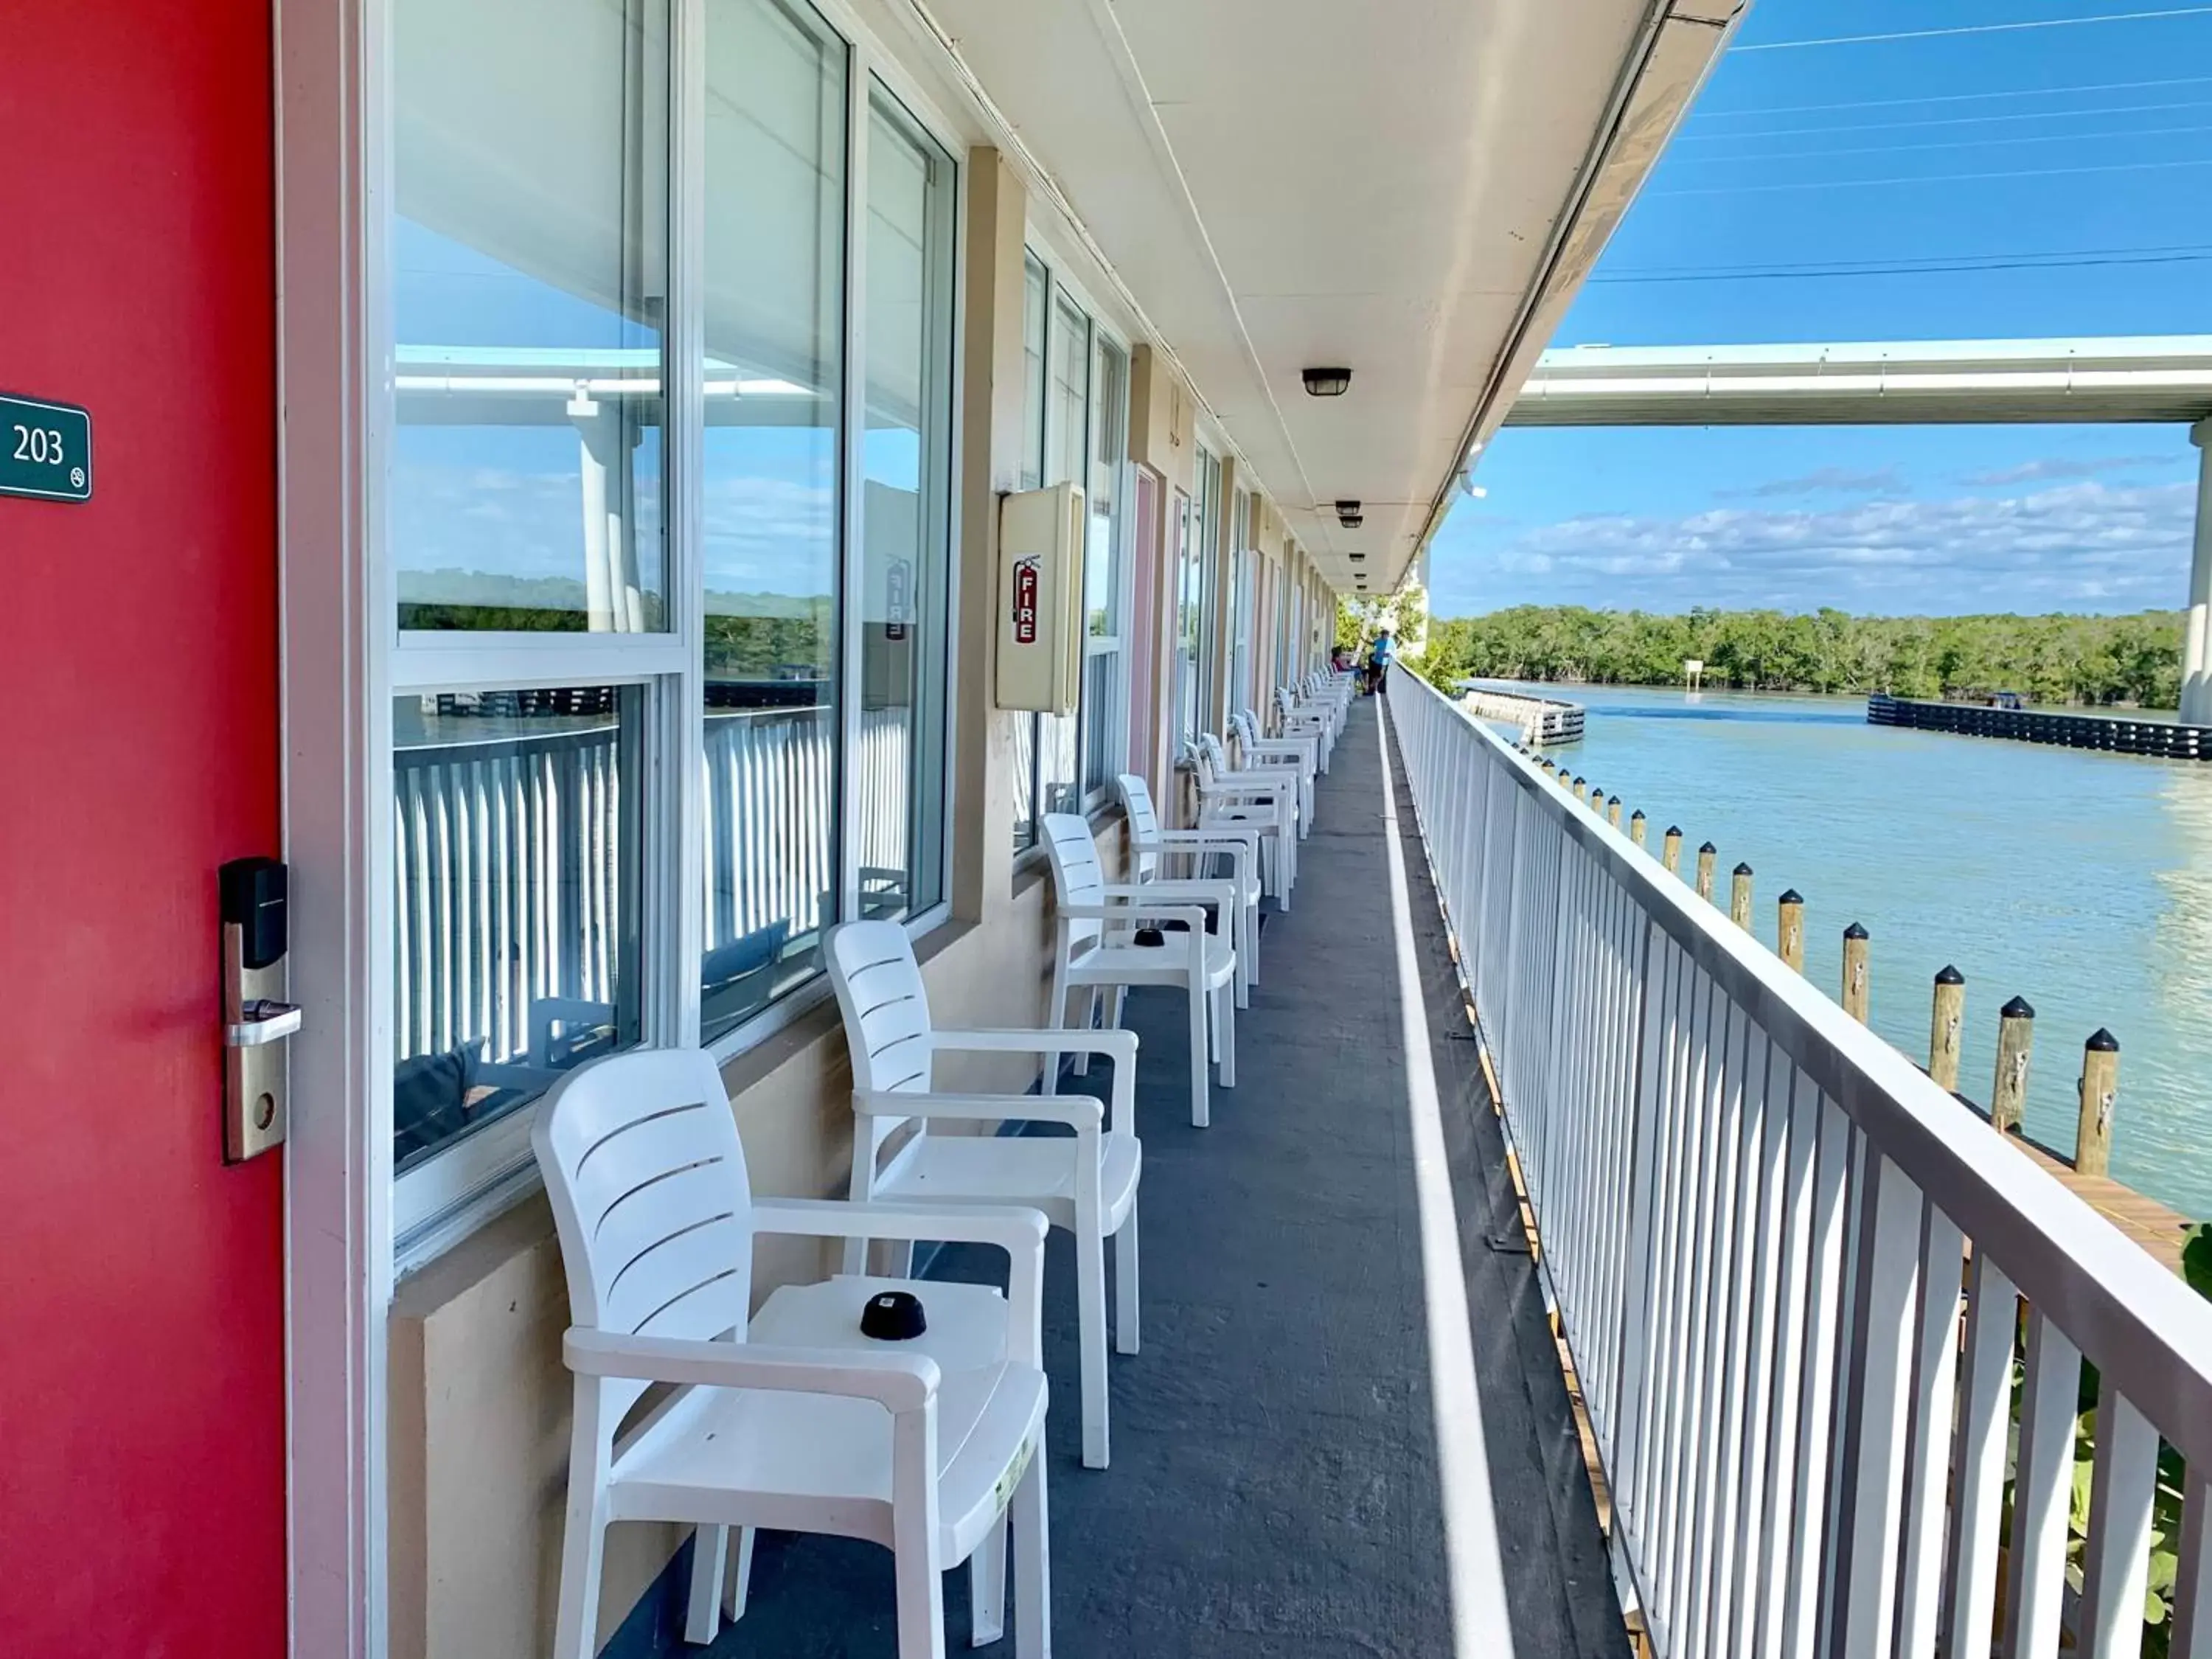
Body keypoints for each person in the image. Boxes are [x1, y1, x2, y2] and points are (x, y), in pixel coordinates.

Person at [1366, 627, 1394, 695]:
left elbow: (1390, 652)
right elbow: (1374, 645)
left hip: (1383, 663)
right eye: (1385, 634)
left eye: (1387, 635)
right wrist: (1364, 640)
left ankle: (1374, 685)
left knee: (1382, 676)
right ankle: (1374, 689)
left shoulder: (1389, 643)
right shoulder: (1378, 641)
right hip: (1376, 662)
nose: (1386, 636)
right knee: (1375, 676)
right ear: (1382, 635)